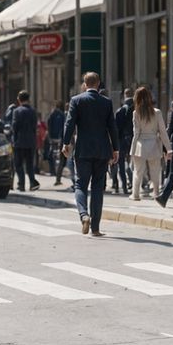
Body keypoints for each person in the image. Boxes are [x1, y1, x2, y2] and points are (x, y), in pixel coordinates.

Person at [63, 72, 116, 236]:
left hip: (83, 150)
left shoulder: (76, 100)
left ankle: (84, 214)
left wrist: (66, 143)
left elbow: (70, 123)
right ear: (99, 83)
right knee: (98, 188)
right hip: (102, 150)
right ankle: (96, 228)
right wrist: (116, 149)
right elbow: (112, 127)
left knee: (80, 185)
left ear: (85, 84)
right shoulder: (106, 102)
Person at [128, 85, 168, 201]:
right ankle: (156, 193)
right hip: (154, 144)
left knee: (138, 171)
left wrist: (132, 149)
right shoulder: (157, 112)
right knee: (155, 171)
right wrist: (168, 148)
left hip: (140, 144)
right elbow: (163, 132)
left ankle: (135, 194)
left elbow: (136, 133)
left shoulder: (136, 113)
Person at [6, 90, 38, 190]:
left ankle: (21, 184)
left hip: (19, 142)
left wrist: (12, 139)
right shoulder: (33, 111)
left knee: (18, 164)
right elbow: (34, 127)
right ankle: (32, 182)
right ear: (28, 99)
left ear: (19, 100)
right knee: (29, 164)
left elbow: (15, 127)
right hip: (30, 142)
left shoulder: (17, 111)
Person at [112, 87, 133, 195]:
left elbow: (116, 128)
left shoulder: (121, 110)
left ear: (124, 95)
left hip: (122, 140)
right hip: (135, 139)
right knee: (135, 164)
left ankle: (123, 186)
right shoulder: (137, 108)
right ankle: (133, 185)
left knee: (120, 164)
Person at [46, 101, 67, 184]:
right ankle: (58, 177)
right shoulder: (62, 115)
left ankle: (53, 171)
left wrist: (50, 137)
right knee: (60, 158)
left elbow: (49, 125)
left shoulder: (51, 115)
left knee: (53, 156)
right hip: (60, 139)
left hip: (53, 139)